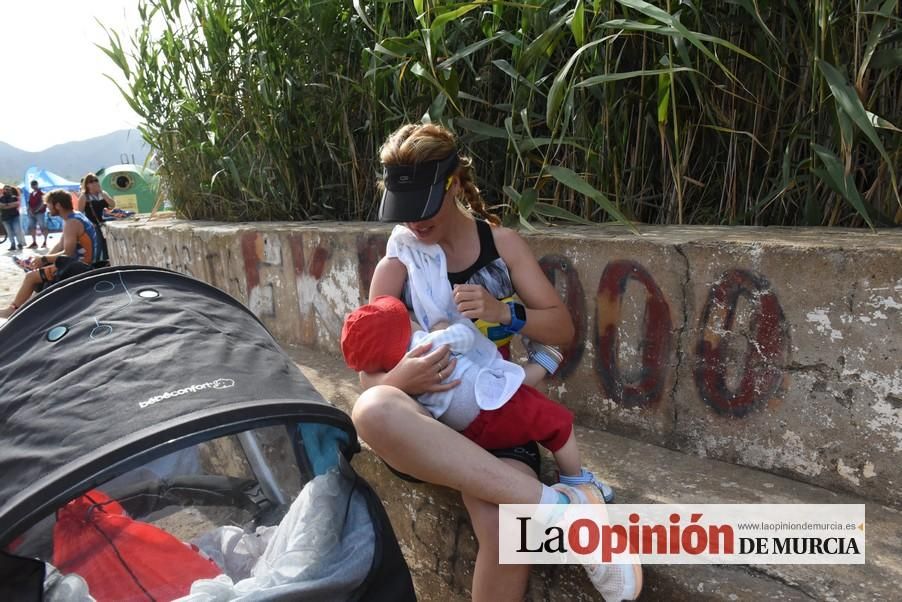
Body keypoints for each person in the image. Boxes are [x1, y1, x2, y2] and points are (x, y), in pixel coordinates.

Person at [350, 123, 641, 601]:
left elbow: (562, 329)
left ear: (455, 184)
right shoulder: (396, 265)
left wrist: (504, 311)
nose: (414, 224)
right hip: (429, 426)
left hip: (494, 413)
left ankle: (552, 507)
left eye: (424, 207)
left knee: (510, 535)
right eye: (405, 211)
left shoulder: (501, 247)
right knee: (370, 409)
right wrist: (405, 376)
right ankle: (566, 510)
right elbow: (369, 376)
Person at [341, 292, 616, 501]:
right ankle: (576, 481)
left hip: (464, 431)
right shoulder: (426, 346)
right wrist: (443, 325)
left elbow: (368, 377)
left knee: (507, 385)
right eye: (409, 320)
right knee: (558, 424)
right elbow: (465, 336)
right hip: (491, 407)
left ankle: (540, 366)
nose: (414, 321)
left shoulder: (399, 368)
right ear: (403, 331)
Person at [0, 190, 99, 318]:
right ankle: (27, 309)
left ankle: (12, 310)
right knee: (37, 273)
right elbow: (60, 246)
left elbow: (67, 254)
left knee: (31, 277)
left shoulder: (72, 223)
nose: (47, 209)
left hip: (78, 268)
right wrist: (41, 261)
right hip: (77, 264)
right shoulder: (74, 217)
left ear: (58, 205)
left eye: (48, 205)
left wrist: (44, 258)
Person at [77, 173, 115, 265]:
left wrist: (101, 192)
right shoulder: (84, 196)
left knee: (108, 246)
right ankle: (96, 265)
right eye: (91, 181)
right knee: (98, 246)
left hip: (106, 224)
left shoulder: (103, 193)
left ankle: (107, 264)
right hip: (94, 225)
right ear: (86, 184)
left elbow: (112, 205)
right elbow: (80, 212)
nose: (94, 183)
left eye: (96, 180)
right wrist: (88, 223)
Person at [1, 185, 26, 251]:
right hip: (5, 218)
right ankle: (13, 244)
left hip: (15, 217)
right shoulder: (1, 198)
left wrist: (5, 205)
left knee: (17, 231)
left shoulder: (14, 197)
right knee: (9, 232)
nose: (7, 190)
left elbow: (17, 204)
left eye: (8, 189)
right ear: (3, 190)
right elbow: (1, 206)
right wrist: (10, 205)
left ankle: (20, 243)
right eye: (5, 189)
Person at [27, 180, 49, 249]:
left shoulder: (42, 193)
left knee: (43, 227)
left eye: (34, 184)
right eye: (32, 185)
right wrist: (30, 210)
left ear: (37, 185)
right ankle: (34, 242)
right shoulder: (31, 194)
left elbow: (43, 203)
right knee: (32, 227)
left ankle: (45, 242)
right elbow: (29, 203)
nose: (33, 186)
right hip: (32, 213)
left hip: (40, 213)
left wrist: (36, 210)